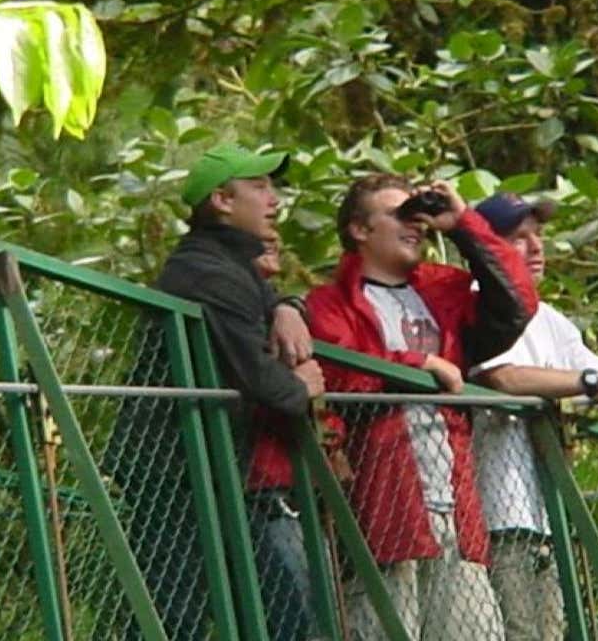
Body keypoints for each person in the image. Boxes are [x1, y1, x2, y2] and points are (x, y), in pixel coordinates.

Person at [304, 175, 537, 641]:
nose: (414, 225)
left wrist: (461, 224)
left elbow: (516, 304)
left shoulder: (442, 290)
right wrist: (417, 363)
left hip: (458, 512)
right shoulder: (329, 303)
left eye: (417, 216)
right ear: (359, 230)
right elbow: (341, 376)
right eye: (397, 214)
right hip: (385, 512)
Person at [124, 144, 326, 640]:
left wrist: (289, 306)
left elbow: (261, 303)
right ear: (222, 201)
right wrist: (299, 387)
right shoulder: (209, 273)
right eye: (259, 187)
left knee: (223, 611)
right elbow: (259, 377)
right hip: (172, 468)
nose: (273, 199)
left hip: (200, 467)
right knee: (179, 616)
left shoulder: (221, 263)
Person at [467, 192, 598, 641]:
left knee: (551, 631)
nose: (536, 247)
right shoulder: (473, 300)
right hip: (498, 507)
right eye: (518, 238)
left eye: (538, 236)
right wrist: (590, 383)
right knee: (519, 631)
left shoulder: (550, 318)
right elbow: (502, 378)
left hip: (545, 514)